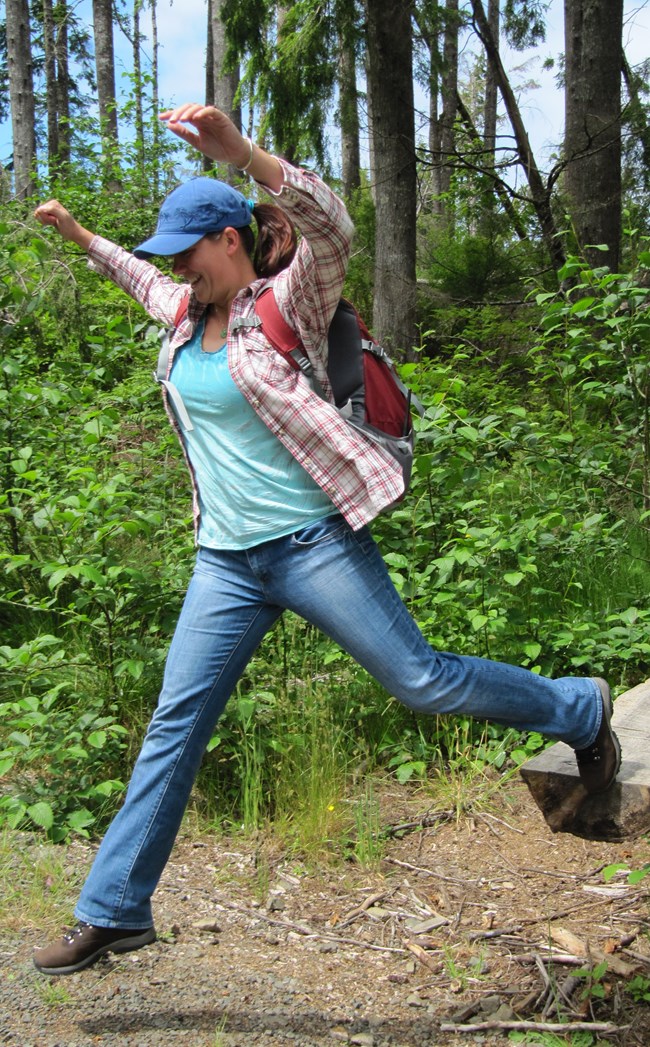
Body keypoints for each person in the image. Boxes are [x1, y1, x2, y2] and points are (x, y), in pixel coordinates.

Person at [32, 104, 621, 977]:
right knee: (174, 724)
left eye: (186, 253)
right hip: (226, 564)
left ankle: (580, 708)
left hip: (311, 545)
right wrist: (82, 234)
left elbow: (333, 226)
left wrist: (241, 153)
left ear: (231, 242)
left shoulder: (291, 304)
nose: (174, 270)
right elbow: (134, 277)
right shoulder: (184, 316)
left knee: (420, 679)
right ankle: (115, 908)